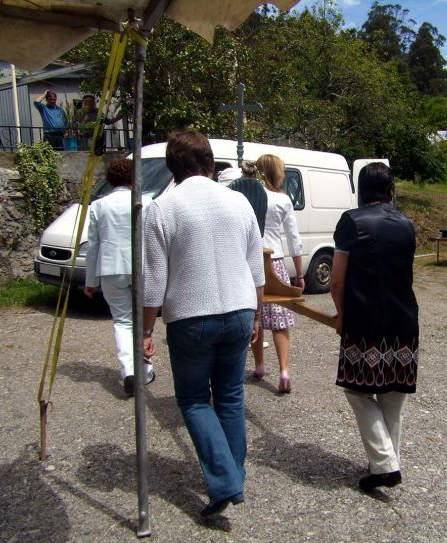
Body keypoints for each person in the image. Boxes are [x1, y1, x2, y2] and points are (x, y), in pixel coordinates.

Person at [142, 130, 265, 518]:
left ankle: (225, 480)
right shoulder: (239, 202)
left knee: (195, 400)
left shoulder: (162, 208)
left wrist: (146, 331)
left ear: (172, 168)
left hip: (191, 318)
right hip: (240, 310)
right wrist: (258, 313)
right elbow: (256, 267)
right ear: (210, 164)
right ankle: (234, 473)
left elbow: (153, 281)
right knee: (230, 396)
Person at [330, 162, 419, 492]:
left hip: (365, 322)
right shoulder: (407, 224)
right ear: (391, 190)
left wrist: (341, 315)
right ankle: (385, 464)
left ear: (361, 190)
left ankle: (385, 464)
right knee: (393, 395)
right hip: (404, 320)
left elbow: (336, 280)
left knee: (357, 389)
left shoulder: (351, 222)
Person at [83, 158, 154, 396]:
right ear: (134, 177)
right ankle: (145, 369)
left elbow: (93, 245)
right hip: (141, 266)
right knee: (142, 319)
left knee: (122, 321)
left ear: (110, 179)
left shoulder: (99, 206)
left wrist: (90, 281)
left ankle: (129, 371)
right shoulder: (146, 202)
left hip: (111, 267)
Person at [249, 154, 304, 394]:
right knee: (280, 321)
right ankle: (284, 370)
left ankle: (260, 365)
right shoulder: (282, 200)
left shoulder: (248, 195)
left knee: (255, 315)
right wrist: (299, 274)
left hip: (252, 259)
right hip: (276, 261)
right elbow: (294, 238)